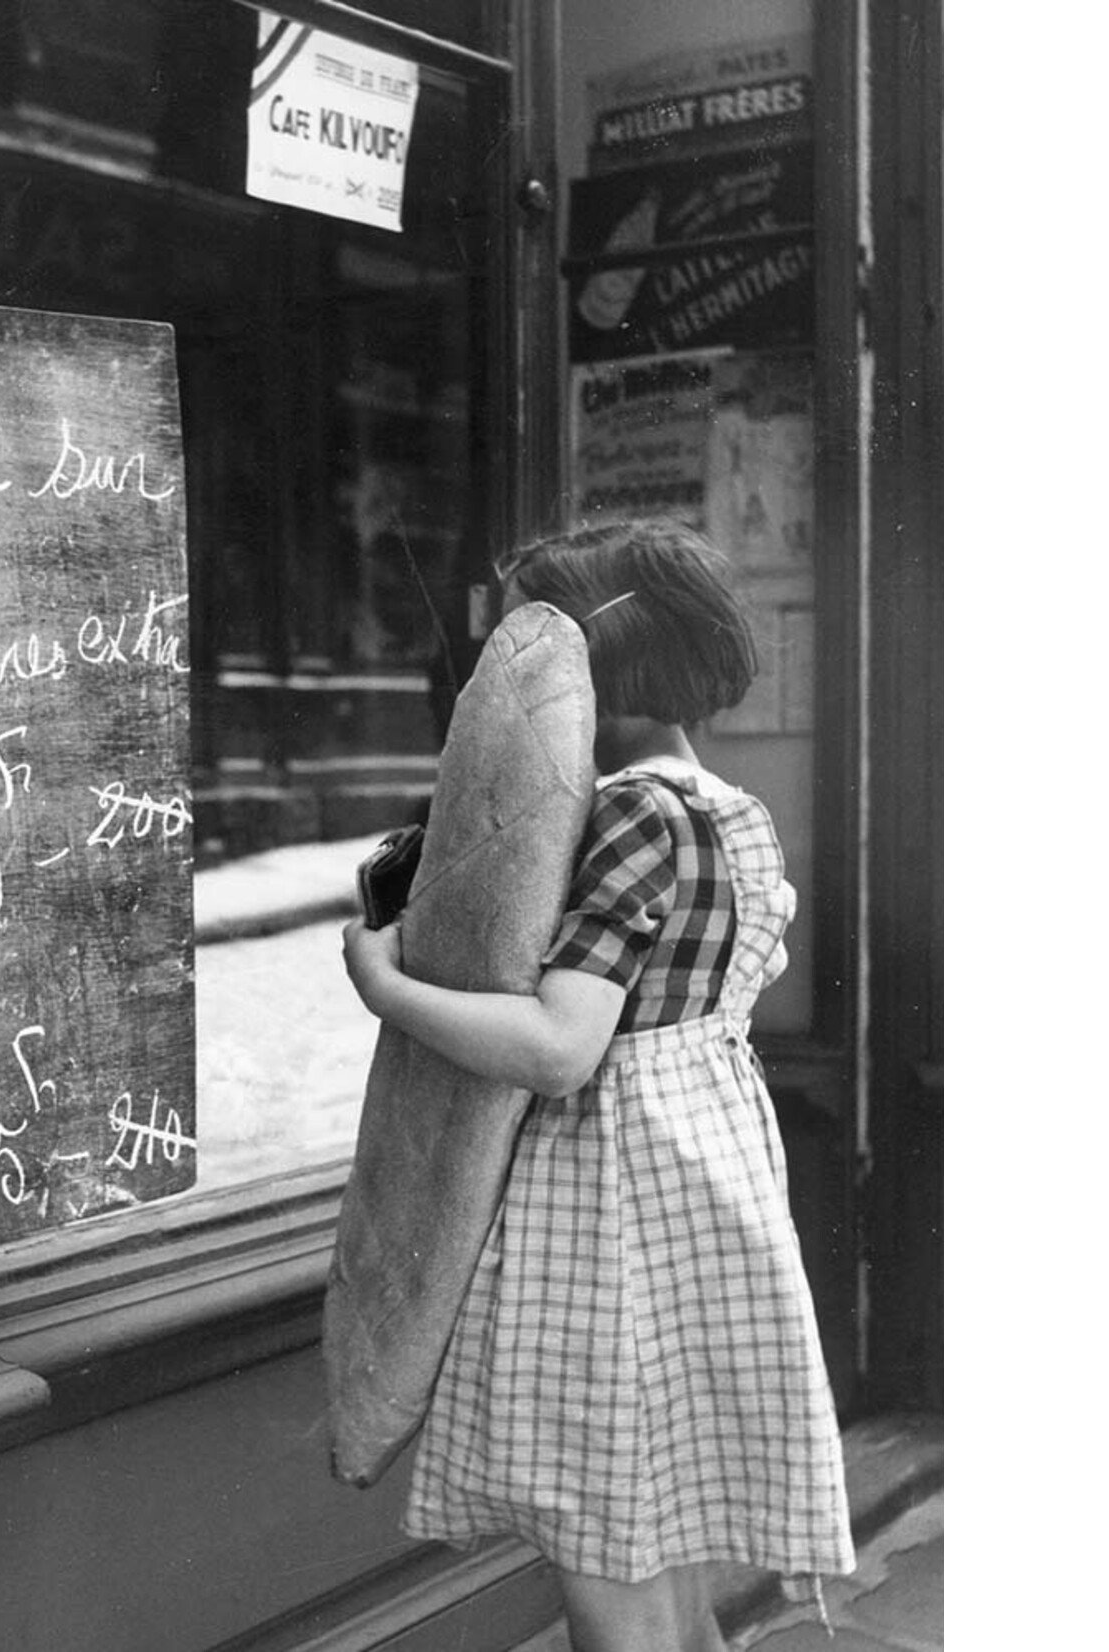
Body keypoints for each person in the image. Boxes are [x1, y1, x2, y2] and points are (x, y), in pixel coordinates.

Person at [340, 519, 854, 1652]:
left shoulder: (628, 814)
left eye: (529, 649)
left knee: (604, 1564)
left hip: (600, 1204)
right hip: (697, 1178)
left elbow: (559, 1045)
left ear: (597, 664)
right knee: (660, 1557)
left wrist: (381, 980)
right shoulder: (730, 811)